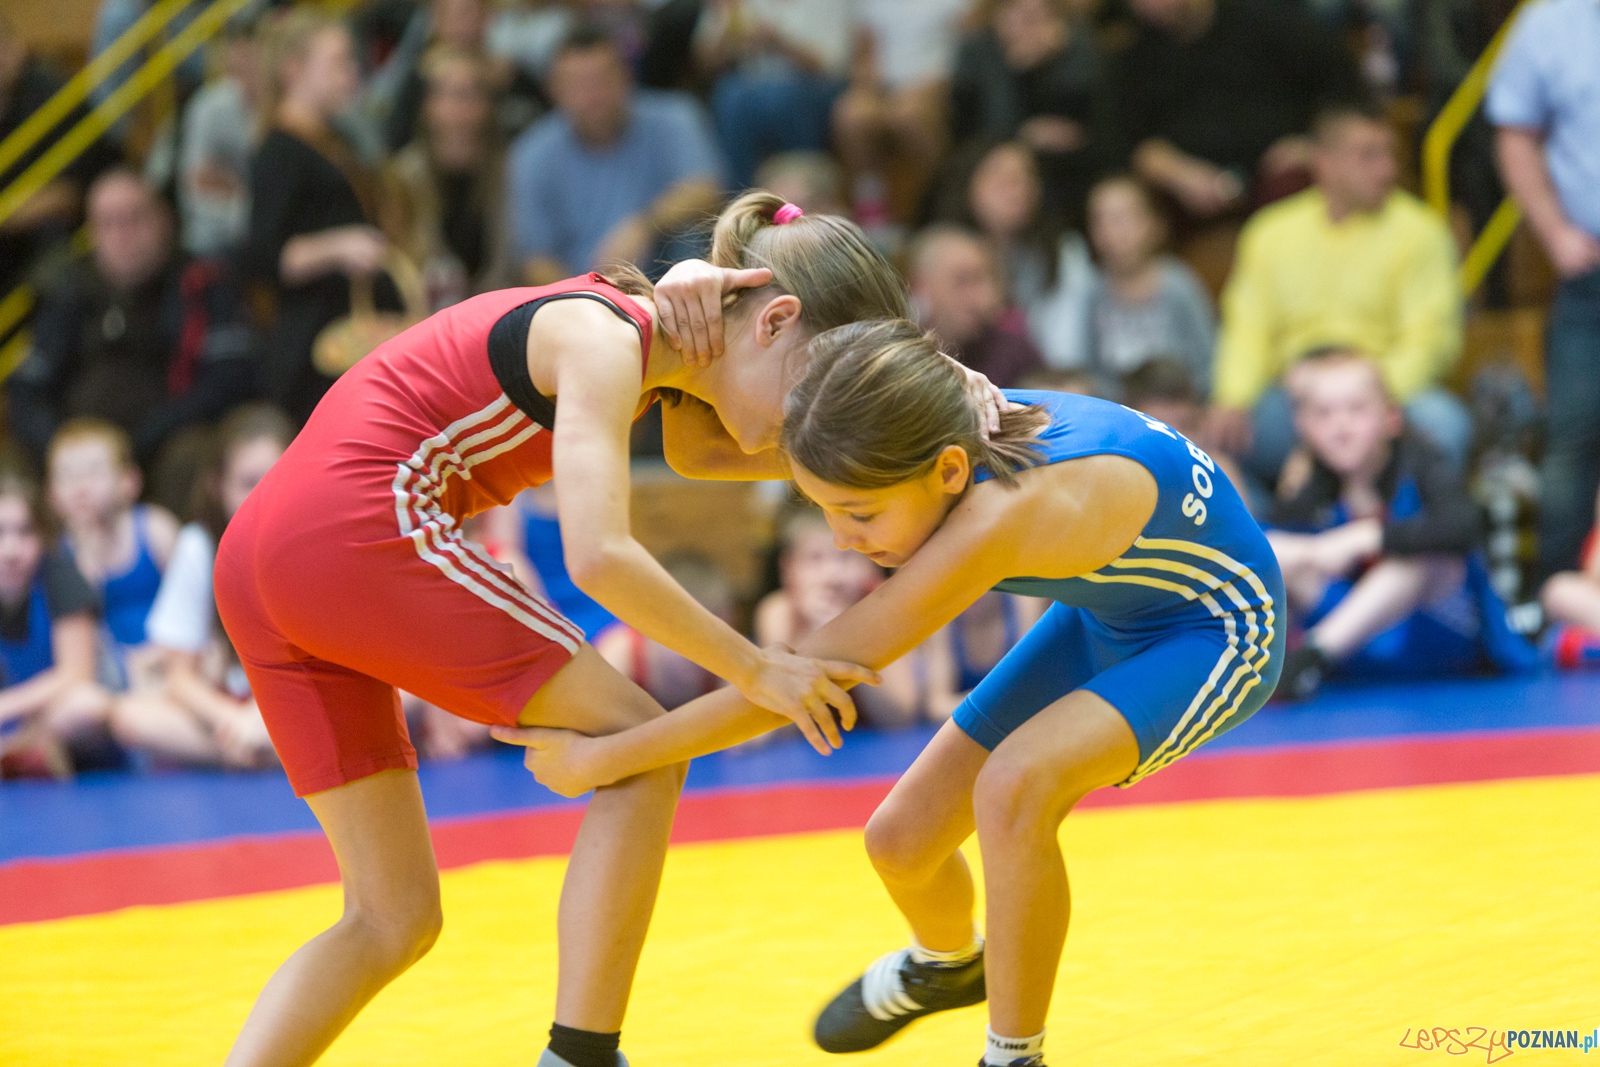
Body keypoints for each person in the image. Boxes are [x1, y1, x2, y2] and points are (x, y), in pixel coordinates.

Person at [210, 193, 1004, 1067]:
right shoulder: (604, 338)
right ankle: (580, 1055)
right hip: (356, 532)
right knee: (645, 747)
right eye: (812, 400)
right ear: (773, 319)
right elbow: (599, 557)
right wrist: (753, 668)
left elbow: (710, 449)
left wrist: (928, 414)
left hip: (260, 556)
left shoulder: (659, 346)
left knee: (391, 917)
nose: (801, 434)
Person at [499, 316, 1284, 1067]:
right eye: (823, 508)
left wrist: (609, 756)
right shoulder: (900, 435)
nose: (843, 538)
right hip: (1106, 606)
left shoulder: (997, 514)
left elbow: (802, 676)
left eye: (859, 514)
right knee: (900, 842)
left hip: (1217, 630)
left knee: (1017, 786)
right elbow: (700, 455)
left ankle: (1014, 1052)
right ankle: (949, 963)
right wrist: (673, 343)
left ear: (947, 472)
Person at [1207, 105, 1470, 488]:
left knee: (1446, 425)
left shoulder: (1422, 232)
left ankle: (1414, 541)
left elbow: (1431, 341)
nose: (1387, 169)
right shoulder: (1269, 232)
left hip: (1385, 391)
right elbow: (1247, 328)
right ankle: (1275, 541)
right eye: (1368, 155)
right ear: (1325, 164)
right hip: (1292, 396)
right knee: (1221, 439)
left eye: (1388, 154)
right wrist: (1232, 396)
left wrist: (1361, 392)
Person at [1265, 348, 1528, 700]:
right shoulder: (1312, 485)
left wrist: (1368, 537)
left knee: (1422, 562)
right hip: (1361, 645)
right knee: (1269, 549)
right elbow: (1271, 552)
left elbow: (1464, 525)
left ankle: (1311, 656)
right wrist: (1315, 551)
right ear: (1304, 427)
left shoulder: (1422, 463)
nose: (1340, 427)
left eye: (1356, 410)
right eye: (1324, 414)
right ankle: (1236, 660)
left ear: (1391, 418)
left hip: (1437, 637)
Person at [6, 170, 257, 471]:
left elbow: (227, 380)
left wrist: (141, 440)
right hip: (77, 442)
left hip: (164, 440)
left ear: (163, 220)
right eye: (107, 223)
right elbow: (27, 385)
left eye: (134, 218)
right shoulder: (69, 289)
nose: (122, 235)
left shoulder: (201, 283)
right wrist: (60, 442)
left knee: (193, 452)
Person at [109, 406, 292, 769]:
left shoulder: (316, 543)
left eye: (275, 477)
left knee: (409, 693)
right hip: (231, 711)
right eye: (247, 482)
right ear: (217, 486)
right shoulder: (199, 546)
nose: (262, 495)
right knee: (128, 716)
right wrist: (233, 719)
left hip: (304, 709)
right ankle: (274, 754)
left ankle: (273, 750)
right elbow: (180, 678)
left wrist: (272, 719)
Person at [1487, 0, 1600, 580]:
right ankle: (1552, 598)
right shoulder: (1552, 20)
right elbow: (1514, 131)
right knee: (1571, 440)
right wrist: (1555, 234)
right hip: (1590, 272)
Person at [242, 9, 395, 423]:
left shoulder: (336, 137)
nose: (351, 72)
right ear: (294, 70)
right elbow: (262, 257)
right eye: (338, 61)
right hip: (315, 346)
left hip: (350, 328)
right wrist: (337, 247)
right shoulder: (279, 152)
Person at [1116, 0, 1366, 231]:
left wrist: (1310, 145)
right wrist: (1177, 172)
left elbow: (1345, 88)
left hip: (1278, 180)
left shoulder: (1266, 20)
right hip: (1191, 195)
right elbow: (1128, 140)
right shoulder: (1136, 53)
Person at [508, 24, 724, 283]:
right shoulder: (531, 154)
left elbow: (707, 191)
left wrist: (643, 226)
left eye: (601, 80)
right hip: (582, 298)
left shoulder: (674, 117)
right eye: (577, 85)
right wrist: (588, 302)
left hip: (672, 287)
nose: (592, 96)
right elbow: (535, 260)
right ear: (553, 91)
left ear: (626, 76)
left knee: (692, 233)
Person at [950, 0, 1111, 229]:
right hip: (987, 158)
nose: (1032, 26)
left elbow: (1089, 118)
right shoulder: (977, 51)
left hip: (1067, 165)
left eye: (1042, 16)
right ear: (999, 16)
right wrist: (1016, 71)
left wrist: (1054, 62)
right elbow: (977, 133)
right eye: (1022, 15)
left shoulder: (1076, 45)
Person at [755, 508, 919, 728]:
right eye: (815, 558)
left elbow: (898, 715)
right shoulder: (779, 613)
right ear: (788, 568)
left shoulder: (883, 604)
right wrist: (812, 632)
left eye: (847, 557)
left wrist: (846, 633)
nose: (832, 574)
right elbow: (784, 726)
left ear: (871, 563)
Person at [47, 419, 180, 690]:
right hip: (107, 677)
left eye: (94, 472)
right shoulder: (57, 556)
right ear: (51, 494)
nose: (80, 487)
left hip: (171, 663)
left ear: (129, 481)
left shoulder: (156, 530)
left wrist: (158, 656)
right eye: (67, 475)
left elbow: (196, 608)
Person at [0, 462, 111, 779]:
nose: (10, 550)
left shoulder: (59, 576)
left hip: (72, 723)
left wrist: (4, 707)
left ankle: (20, 751)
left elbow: (76, 674)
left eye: (24, 533)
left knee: (84, 706)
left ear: (44, 536)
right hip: (19, 721)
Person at [0, 11, 121, 297]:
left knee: (53, 263)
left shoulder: (51, 94)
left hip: (72, 232)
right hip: (17, 238)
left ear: (13, 47)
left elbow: (70, 193)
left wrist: (8, 213)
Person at [947, 140, 1094, 370]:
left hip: (1044, 383)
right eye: (1000, 176)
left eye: (1026, 176)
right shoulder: (943, 250)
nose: (1016, 187)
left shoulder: (1063, 250)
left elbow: (1067, 352)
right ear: (968, 183)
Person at [385, 48, 513, 310]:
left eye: (472, 94)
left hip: (500, 312)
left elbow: (513, 262)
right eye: (450, 95)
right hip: (427, 318)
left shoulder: (510, 171)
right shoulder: (404, 177)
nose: (461, 108)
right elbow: (403, 268)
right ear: (427, 106)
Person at [830, 0, 971, 226]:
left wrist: (933, 85)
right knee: (851, 113)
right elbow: (863, 52)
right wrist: (870, 83)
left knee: (908, 116)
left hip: (935, 83)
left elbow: (966, 48)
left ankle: (936, 202)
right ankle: (871, 206)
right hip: (884, 87)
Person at [695, 0, 852, 191]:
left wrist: (779, 43)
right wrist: (727, 26)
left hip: (815, 89)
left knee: (781, 97)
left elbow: (833, 68)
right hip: (751, 92)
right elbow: (704, 63)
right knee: (729, 93)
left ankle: (804, 196)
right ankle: (740, 198)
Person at [1082, 174, 1215, 399]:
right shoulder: (1091, 293)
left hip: (1179, 408)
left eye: (1122, 218)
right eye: (1101, 220)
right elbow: (1089, 368)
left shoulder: (1178, 284)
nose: (1112, 231)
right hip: (1119, 412)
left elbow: (1208, 358)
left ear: (1153, 225)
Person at [910, 225, 1045, 388]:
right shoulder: (901, 356)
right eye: (963, 281)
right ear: (921, 286)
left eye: (984, 281)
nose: (983, 298)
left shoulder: (1014, 354)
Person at [176, 15, 266, 258]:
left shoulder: (288, 108)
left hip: (272, 237)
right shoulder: (209, 107)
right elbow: (196, 186)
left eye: (252, 63)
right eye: (238, 66)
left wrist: (235, 188)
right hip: (215, 242)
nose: (245, 72)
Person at [596, 552, 732, 709]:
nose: (693, 656)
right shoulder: (621, 653)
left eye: (707, 641)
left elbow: (758, 733)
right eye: (681, 638)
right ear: (651, 627)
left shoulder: (730, 663)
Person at [918, 591, 1037, 722]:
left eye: (979, 583)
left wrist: (975, 704)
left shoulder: (1023, 603)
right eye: (961, 585)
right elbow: (936, 706)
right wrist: (991, 703)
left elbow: (1033, 694)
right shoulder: (944, 621)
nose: (971, 594)